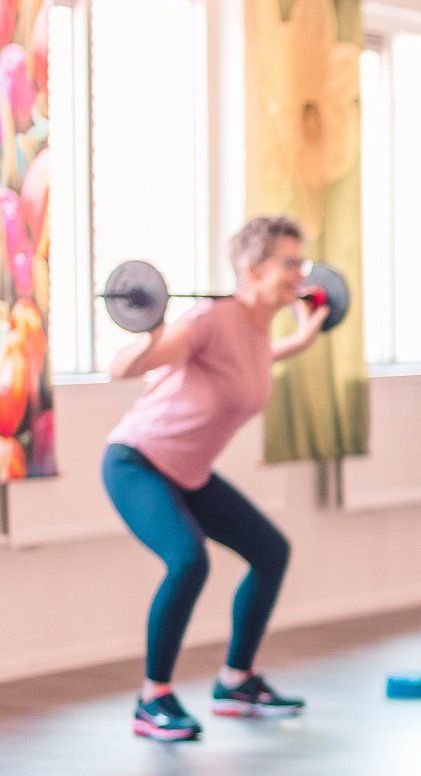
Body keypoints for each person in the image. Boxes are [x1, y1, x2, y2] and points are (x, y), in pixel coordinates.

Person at [102, 214, 328, 741]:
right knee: (188, 559)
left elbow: (251, 361)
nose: (301, 275)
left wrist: (303, 336)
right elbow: (122, 368)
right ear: (252, 269)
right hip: (137, 462)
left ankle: (236, 682)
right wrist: (152, 328)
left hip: (189, 473)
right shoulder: (209, 320)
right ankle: (152, 698)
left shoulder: (257, 331)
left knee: (270, 552)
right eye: (290, 263)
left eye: (303, 263)